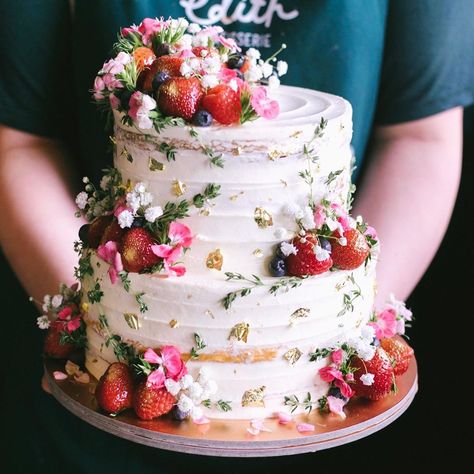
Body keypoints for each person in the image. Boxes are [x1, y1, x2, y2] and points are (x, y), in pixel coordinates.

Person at [0, 1, 473, 472]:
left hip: (315, 418)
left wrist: (339, 331)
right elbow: (22, 142)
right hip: (89, 440)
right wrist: (99, 323)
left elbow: (420, 137)